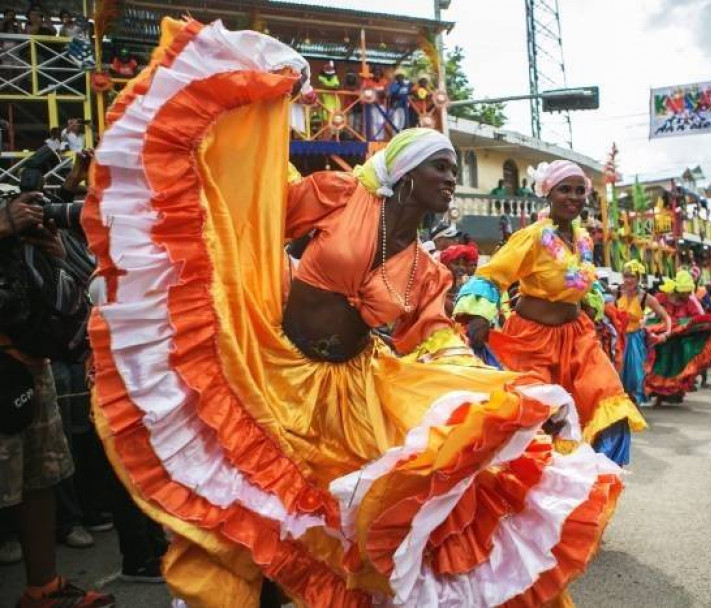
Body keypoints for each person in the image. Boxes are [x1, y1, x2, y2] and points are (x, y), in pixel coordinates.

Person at [85, 18, 623, 606]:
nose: (450, 178)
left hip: (351, 394)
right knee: (245, 518)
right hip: (273, 367)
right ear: (405, 172)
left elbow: (435, 338)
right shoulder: (343, 196)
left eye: (451, 168)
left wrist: (505, 393)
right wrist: (263, 113)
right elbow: (257, 209)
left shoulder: (429, 269)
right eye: (440, 167)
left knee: (330, 529)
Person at [455, 159, 646, 466]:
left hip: (578, 339)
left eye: (579, 190)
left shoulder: (584, 239)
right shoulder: (532, 236)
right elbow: (493, 274)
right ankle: (531, 494)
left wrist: (596, 308)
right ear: (548, 193)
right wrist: (479, 317)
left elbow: (585, 283)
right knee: (538, 418)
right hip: (532, 341)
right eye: (564, 190)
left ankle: (590, 479)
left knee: (608, 403)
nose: (573, 197)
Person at [0, 189, 114, 606]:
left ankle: (43, 587)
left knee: (41, 479)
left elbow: (69, 303)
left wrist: (54, 254)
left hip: (31, 365)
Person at [648, 270, 711, 404]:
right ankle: (657, 393)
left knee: (677, 366)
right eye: (687, 292)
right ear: (679, 290)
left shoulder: (690, 302)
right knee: (660, 365)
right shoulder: (661, 298)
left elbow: (698, 318)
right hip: (662, 340)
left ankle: (673, 393)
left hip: (679, 342)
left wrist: (686, 325)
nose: (690, 294)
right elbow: (651, 314)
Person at [615, 259, 671, 404]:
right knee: (616, 375)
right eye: (626, 276)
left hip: (635, 340)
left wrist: (666, 333)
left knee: (635, 376)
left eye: (632, 276)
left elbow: (666, 318)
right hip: (617, 339)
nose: (628, 280)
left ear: (638, 278)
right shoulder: (615, 293)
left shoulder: (646, 298)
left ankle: (634, 405)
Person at [315, 61, 340, 136]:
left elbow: (337, 87)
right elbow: (322, 86)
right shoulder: (320, 78)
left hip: (335, 102)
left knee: (337, 121)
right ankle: (327, 138)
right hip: (325, 102)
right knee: (326, 123)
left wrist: (328, 88)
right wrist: (331, 88)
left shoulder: (335, 77)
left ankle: (335, 138)